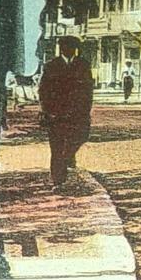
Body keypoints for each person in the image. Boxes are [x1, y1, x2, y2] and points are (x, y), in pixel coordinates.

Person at [39, 36, 94, 190]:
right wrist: (45, 110)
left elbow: (88, 90)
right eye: (66, 47)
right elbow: (44, 90)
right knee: (56, 147)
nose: (69, 50)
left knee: (80, 137)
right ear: (61, 49)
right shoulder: (51, 66)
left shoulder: (83, 65)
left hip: (77, 113)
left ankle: (68, 157)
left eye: (72, 47)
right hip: (56, 113)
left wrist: (86, 109)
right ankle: (58, 180)